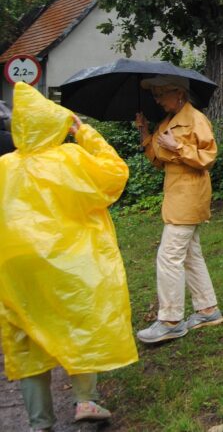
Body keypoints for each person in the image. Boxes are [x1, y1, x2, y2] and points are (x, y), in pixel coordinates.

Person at [0, 82, 137, 431]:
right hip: (71, 259)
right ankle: (86, 400)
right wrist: (85, 132)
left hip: (17, 266)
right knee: (77, 322)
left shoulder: (5, 166)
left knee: (26, 335)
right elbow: (115, 173)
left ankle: (39, 422)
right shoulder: (70, 159)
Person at [134, 75, 223, 343]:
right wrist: (145, 133)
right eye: (156, 96)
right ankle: (208, 310)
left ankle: (171, 320)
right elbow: (160, 161)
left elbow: (208, 158)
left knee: (169, 255)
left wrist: (179, 147)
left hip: (190, 194)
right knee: (189, 254)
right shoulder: (168, 122)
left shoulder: (195, 120)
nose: (158, 101)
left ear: (178, 93)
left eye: (161, 95)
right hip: (177, 193)